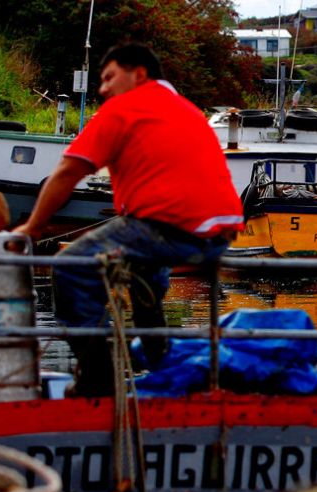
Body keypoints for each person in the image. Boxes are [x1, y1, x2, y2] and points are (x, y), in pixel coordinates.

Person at [13, 42, 244, 396]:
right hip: (216, 237)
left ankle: (97, 378)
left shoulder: (124, 108)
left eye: (109, 77)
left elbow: (66, 173)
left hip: (167, 227)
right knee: (143, 269)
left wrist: (33, 226)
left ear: (138, 75)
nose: (103, 88)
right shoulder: (186, 111)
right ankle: (157, 352)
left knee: (70, 267)